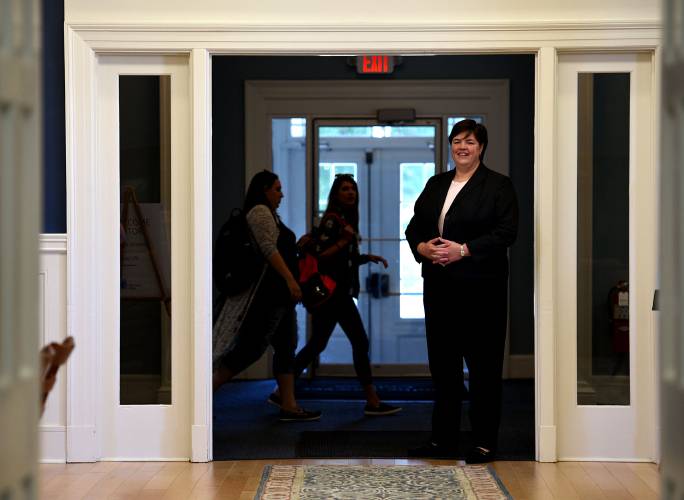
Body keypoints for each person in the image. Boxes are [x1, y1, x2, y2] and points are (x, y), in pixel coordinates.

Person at [405, 119, 518, 462]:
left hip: (482, 293)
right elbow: (414, 227)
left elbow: (506, 233)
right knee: (444, 369)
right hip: (439, 289)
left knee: (483, 369)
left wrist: (463, 250)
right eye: (457, 141)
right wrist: (423, 247)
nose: (462, 147)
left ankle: (484, 442)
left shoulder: (498, 186)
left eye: (469, 141)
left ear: (481, 147)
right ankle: (443, 440)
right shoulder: (436, 183)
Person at [271, 174, 401, 416]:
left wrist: (365, 257)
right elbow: (320, 253)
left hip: (335, 294)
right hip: (335, 294)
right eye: (344, 189)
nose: (350, 192)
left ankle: (281, 392)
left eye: (352, 188)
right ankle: (372, 401)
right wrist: (345, 241)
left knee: (317, 344)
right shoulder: (333, 220)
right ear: (336, 194)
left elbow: (342, 258)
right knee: (359, 341)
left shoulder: (344, 220)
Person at [212, 170, 321, 422]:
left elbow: (276, 248)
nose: (281, 194)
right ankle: (201, 398)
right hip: (268, 297)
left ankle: (289, 405)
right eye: (277, 188)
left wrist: (297, 248)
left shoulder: (270, 214)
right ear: (264, 190)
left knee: (286, 347)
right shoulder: (260, 212)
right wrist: (291, 279)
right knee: (250, 350)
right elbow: (268, 250)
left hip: (280, 298)